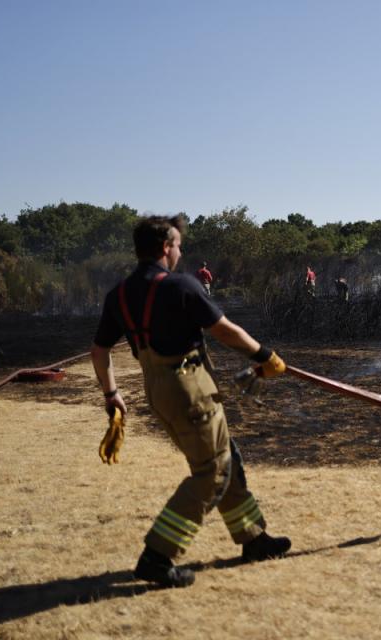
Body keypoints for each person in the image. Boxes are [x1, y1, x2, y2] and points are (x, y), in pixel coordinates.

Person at [90, 215, 290, 588]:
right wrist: (265, 356)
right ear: (166, 247)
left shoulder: (118, 295)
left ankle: (253, 538)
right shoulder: (182, 286)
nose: (180, 251)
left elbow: (99, 352)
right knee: (211, 470)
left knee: (224, 455)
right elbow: (225, 330)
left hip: (158, 391)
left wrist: (112, 395)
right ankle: (157, 556)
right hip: (190, 390)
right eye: (178, 244)